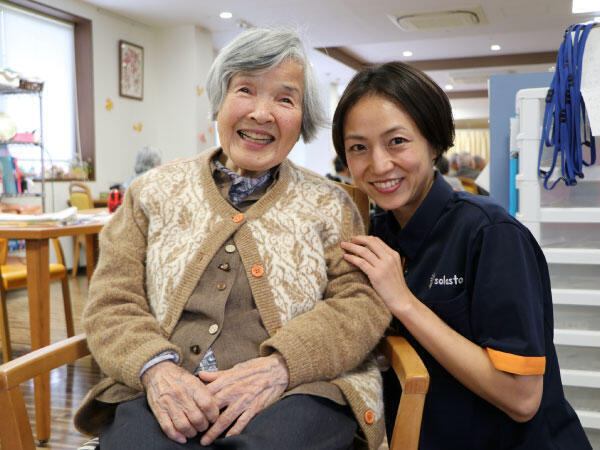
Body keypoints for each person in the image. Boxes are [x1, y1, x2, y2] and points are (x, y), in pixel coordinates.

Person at [73, 28, 391, 450]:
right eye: (245, 89)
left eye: (285, 98)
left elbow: (359, 303)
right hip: (163, 388)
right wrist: (158, 371)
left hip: (295, 391)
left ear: (303, 121)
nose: (262, 113)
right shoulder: (150, 193)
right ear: (219, 101)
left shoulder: (332, 204)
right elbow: (112, 301)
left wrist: (282, 365)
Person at [333, 62, 590, 449]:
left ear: (434, 143)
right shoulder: (372, 234)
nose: (379, 164)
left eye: (397, 141)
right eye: (358, 148)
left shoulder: (490, 234)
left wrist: (404, 302)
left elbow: (522, 399)